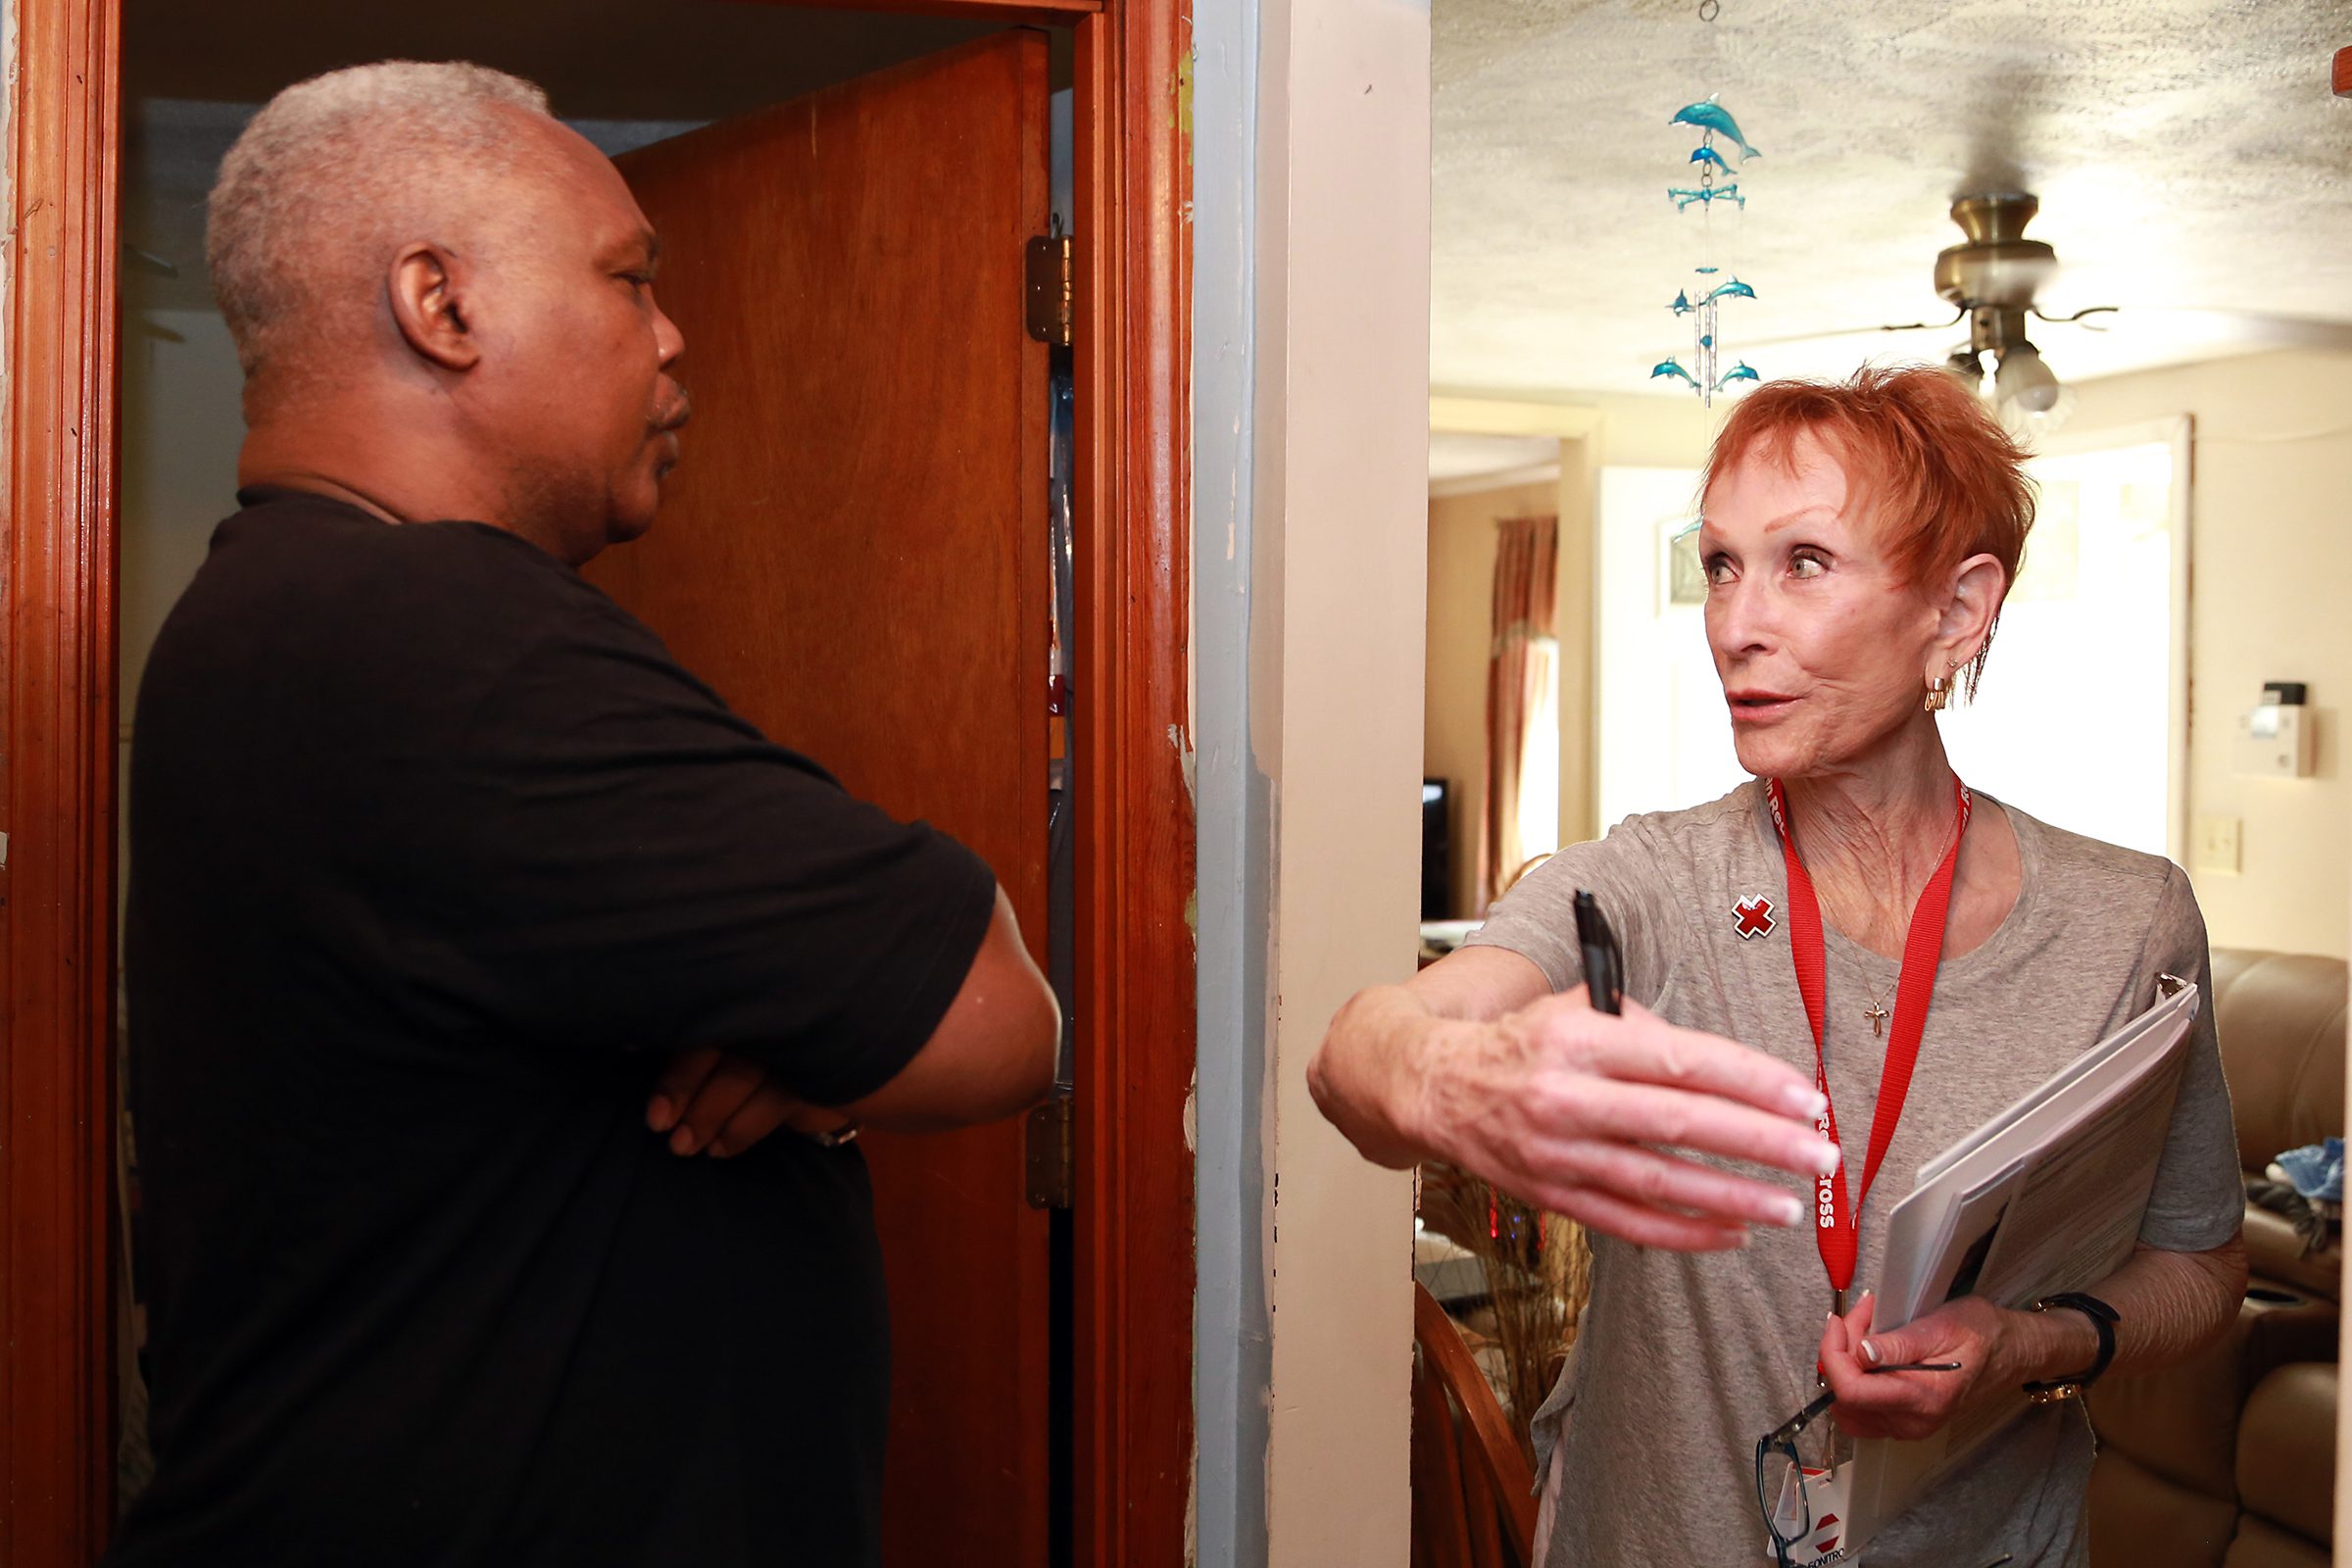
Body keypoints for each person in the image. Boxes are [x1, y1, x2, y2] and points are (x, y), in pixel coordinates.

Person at [108, 62, 1059, 1568]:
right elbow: (993, 1009)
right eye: (630, 280)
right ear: (442, 304)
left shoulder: (264, 612)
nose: (674, 337)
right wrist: (830, 1026)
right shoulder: (436, 629)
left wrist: (800, 1032)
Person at [1310, 366, 2245, 1566]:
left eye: (1803, 562)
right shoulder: (1658, 882)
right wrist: (1436, 1077)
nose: (1733, 623)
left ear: (1957, 612)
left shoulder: (2131, 924)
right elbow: (1358, 1052)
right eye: (1719, 564)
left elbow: (2203, 1264)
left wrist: (2026, 1345)